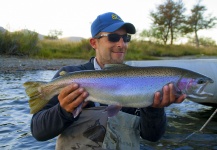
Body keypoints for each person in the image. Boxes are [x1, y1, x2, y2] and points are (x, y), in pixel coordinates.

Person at [31, 12, 186, 150]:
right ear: (94, 43)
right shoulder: (71, 75)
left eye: (126, 38)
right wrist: (63, 111)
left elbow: (152, 137)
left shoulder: (140, 82)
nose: (121, 44)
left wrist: (154, 109)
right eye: (113, 37)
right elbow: (38, 131)